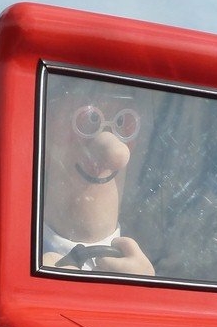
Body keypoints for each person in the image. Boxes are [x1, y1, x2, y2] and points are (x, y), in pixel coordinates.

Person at [40, 76, 154, 275]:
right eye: (88, 119)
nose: (116, 154)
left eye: (123, 123)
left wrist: (147, 294)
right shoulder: (4, 243)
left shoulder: (165, 255)